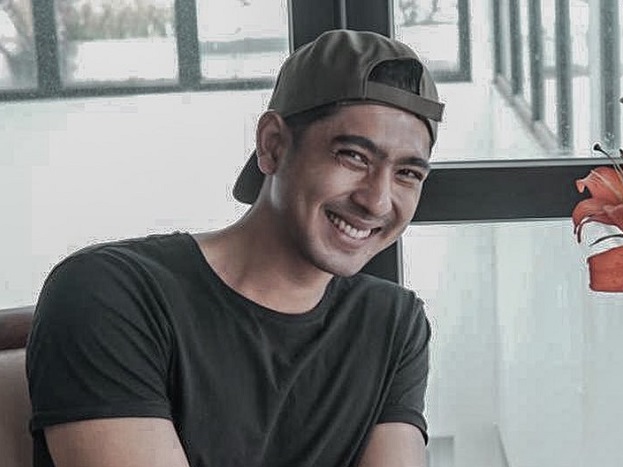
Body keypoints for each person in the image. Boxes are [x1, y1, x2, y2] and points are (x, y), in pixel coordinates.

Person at [26, 29, 444, 467]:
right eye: (353, 156)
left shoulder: (392, 324)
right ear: (272, 145)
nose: (377, 201)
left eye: (408, 174)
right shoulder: (111, 295)